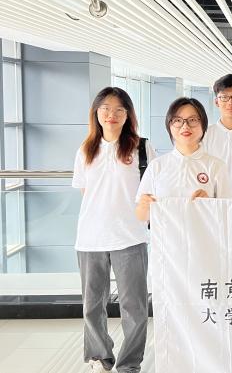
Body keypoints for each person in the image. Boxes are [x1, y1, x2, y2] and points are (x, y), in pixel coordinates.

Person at [72, 87, 155, 373]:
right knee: (92, 305)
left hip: (131, 237)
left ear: (128, 115)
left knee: (135, 307)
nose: (112, 114)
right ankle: (99, 356)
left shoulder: (142, 147)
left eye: (120, 109)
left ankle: (129, 363)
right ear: (96, 112)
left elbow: (151, 190)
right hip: (90, 238)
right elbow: (86, 191)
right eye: (106, 108)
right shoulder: (85, 149)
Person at [135, 97, 232, 222]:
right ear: (169, 126)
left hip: (202, 235)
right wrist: (144, 207)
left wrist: (210, 204)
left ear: (203, 125)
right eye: (178, 120)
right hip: (165, 235)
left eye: (192, 120)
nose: (185, 126)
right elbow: (141, 217)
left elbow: (229, 214)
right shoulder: (157, 166)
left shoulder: (216, 166)